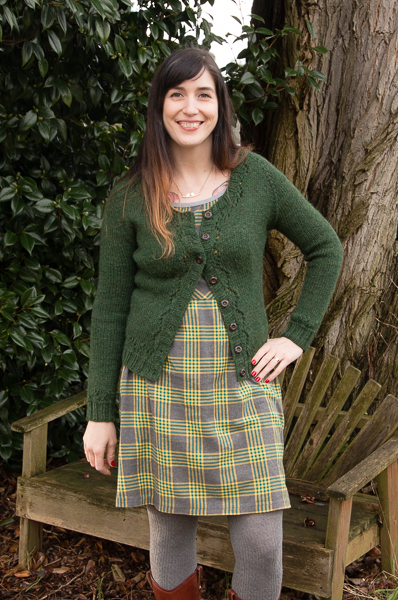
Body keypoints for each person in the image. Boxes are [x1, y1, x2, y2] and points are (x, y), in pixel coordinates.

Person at [83, 47, 343, 600]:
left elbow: (326, 247)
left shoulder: (255, 178)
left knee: (261, 543)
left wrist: (296, 336)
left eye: (204, 94)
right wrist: (100, 413)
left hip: (242, 382)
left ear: (220, 105)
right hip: (158, 387)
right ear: (159, 107)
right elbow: (109, 309)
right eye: (177, 94)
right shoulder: (130, 195)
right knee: (169, 535)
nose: (190, 107)